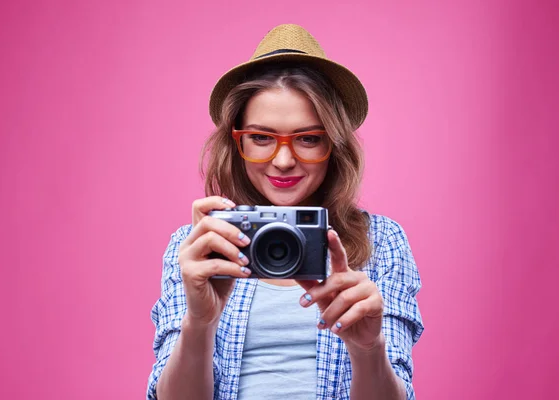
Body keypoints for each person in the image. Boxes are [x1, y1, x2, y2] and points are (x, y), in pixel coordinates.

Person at [147, 24, 424, 400]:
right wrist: (200, 322)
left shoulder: (381, 242)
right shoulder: (200, 245)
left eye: (308, 139)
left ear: (335, 145)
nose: (282, 160)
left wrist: (367, 349)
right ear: (237, 141)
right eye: (261, 138)